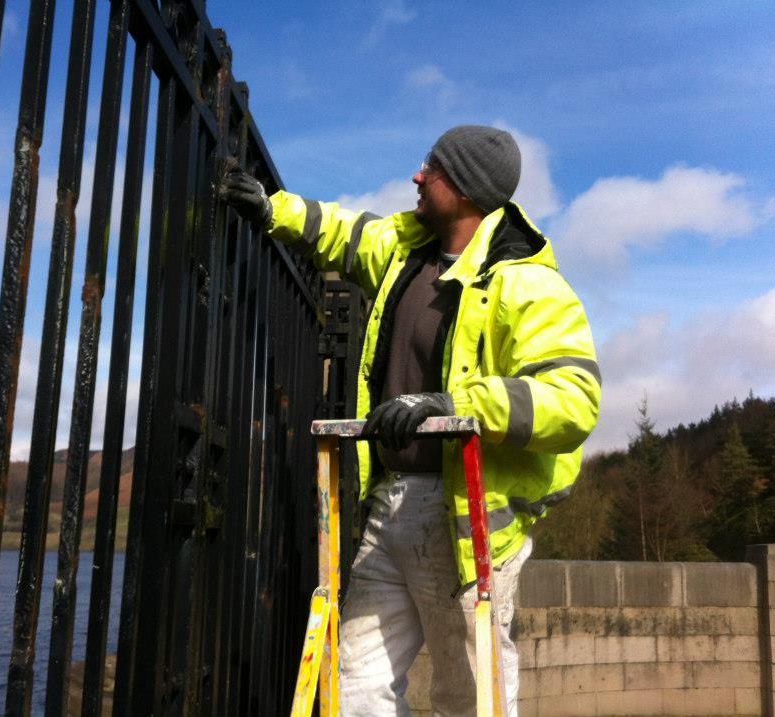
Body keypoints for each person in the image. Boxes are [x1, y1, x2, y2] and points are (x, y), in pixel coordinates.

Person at [220, 126, 601, 717]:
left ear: (470, 191)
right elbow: (341, 229)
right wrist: (272, 209)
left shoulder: (528, 283)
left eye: (434, 168)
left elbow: (573, 399)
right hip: (388, 505)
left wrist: (456, 406)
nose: (418, 176)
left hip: (463, 521)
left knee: (469, 696)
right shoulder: (406, 250)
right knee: (354, 684)